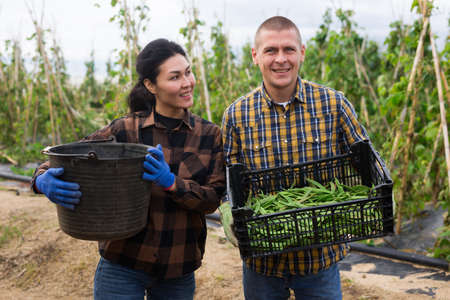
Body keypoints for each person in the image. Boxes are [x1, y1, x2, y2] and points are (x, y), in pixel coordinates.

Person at [31, 38, 226, 300]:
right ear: (150, 85)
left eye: (188, 72)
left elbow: (213, 199)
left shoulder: (209, 135)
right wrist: (42, 180)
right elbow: (65, 156)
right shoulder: (125, 131)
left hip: (177, 269)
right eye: (175, 77)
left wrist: (171, 183)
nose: (187, 82)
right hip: (122, 265)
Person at [220, 16, 369, 300]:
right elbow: (227, 178)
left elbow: (364, 159)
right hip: (262, 260)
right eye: (270, 50)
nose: (281, 59)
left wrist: (378, 188)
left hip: (319, 257)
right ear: (255, 56)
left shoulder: (333, 104)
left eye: (288, 49)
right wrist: (227, 208)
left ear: (302, 52)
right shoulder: (236, 115)